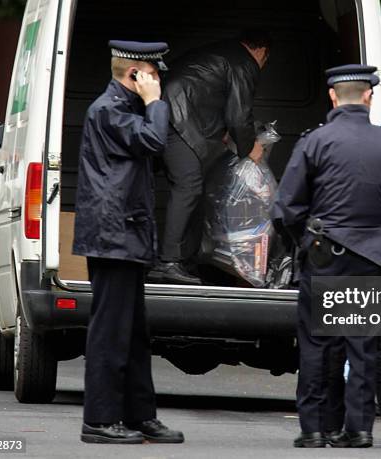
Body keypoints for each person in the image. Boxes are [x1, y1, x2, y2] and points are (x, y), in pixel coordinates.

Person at [273, 64, 381, 448]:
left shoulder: (314, 142)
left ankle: (316, 429)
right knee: (364, 344)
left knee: (319, 344)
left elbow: (284, 208)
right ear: (368, 96)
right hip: (373, 258)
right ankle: (360, 430)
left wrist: (303, 242)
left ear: (333, 97)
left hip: (324, 255)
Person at [73, 40, 183, 445]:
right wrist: (154, 101)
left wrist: (151, 104)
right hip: (113, 235)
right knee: (110, 332)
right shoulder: (110, 110)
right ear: (135, 73)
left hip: (125, 233)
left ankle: (140, 415)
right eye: (153, 73)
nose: (158, 80)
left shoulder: (126, 109)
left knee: (135, 333)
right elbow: (154, 141)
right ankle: (99, 420)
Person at [151, 28, 271, 285]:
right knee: (188, 187)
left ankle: (184, 260)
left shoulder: (222, 52)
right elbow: (239, 114)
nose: (261, 66)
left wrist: (225, 133)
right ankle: (167, 262)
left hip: (171, 114)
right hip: (178, 118)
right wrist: (249, 146)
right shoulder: (244, 61)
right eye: (264, 60)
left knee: (192, 188)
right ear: (260, 51)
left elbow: (213, 97)